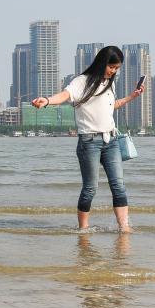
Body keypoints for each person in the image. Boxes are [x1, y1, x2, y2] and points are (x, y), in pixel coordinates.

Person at [31, 46, 144, 233]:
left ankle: (124, 228)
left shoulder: (110, 84)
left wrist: (132, 96)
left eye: (117, 69)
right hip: (89, 142)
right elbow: (65, 95)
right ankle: (83, 229)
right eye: (111, 67)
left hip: (112, 140)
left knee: (118, 185)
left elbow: (110, 106)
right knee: (90, 188)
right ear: (102, 63)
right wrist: (47, 100)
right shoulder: (81, 82)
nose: (113, 71)